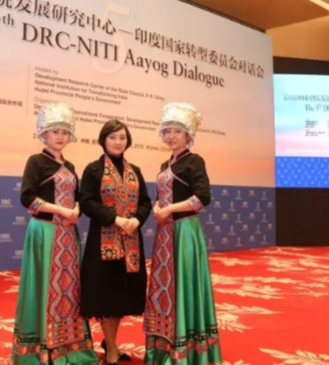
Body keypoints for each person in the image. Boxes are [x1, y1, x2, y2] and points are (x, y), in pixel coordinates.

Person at [12, 102, 98, 365]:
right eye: (55, 131)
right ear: (44, 134)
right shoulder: (36, 162)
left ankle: (70, 347)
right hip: (45, 233)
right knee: (44, 287)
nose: (60, 136)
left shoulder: (69, 165)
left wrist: (76, 208)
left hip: (68, 236)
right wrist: (61, 210)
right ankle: (43, 348)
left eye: (64, 132)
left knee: (69, 289)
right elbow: (28, 198)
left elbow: (78, 197)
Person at [144, 102, 223, 365]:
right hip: (165, 234)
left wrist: (169, 209)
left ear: (189, 134)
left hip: (184, 231)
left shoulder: (194, 161)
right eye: (167, 131)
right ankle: (163, 346)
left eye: (177, 131)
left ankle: (185, 350)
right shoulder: (165, 163)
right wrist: (157, 206)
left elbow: (202, 198)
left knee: (183, 283)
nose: (171, 136)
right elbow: (160, 196)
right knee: (165, 286)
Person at [79, 119, 152, 365]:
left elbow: (145, 202)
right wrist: (115, 219)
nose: (118, 142)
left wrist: (137, 219)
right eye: (112, 137)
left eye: (122, 137)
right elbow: (87, 202)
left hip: (131, 240)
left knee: (121, 295)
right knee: (105, 295)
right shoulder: (93, 169)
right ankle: (111, 348)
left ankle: (110, 341)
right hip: (103, 240)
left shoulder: (136, 171)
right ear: (103, 140)